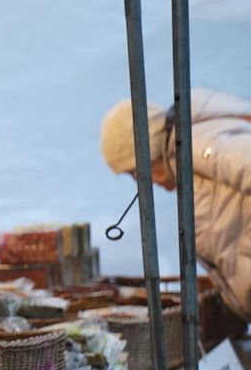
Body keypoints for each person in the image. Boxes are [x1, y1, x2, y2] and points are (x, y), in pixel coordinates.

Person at [100, 90, 251, 319]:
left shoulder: (197, 145)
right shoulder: (187, 159)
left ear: (147, 155)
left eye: (134, 173)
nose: (143, 182)